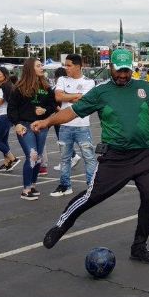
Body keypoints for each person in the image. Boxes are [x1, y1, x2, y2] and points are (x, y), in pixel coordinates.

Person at [33, 48, 149, 264]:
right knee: (92, 196)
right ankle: (62, 224)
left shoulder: (144, 87)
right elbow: (72, 111)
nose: (122, 75)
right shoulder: (101, 92)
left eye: (126, 71)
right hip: (115, 158)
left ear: (132, 69)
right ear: (111, 68)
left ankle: (139, 246)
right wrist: (47, 122)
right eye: (118, 71)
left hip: (145, 156)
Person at [8, 57, 57, 200]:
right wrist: (16, 123)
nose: (42, 67)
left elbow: (53, 105)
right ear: (30, 68)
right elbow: (11, 109)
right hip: (24, 125)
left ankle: (33, 185)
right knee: (32, 155)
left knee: (39, 158)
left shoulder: (47, 87)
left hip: (42, 126)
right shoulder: (19, 88)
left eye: (42, 65)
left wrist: (45, 111)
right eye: (38, 65)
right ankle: (26, 189)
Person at [50, 53, 97, 197]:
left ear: (78, 66)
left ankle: (92, 186)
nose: (66, 68)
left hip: (82, 125)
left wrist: (68, 95)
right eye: (65, 65)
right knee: (65, 158)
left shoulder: (89, 82)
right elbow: (58, 96)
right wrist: (76, 96)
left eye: (69, 65)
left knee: (89, 157)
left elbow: (84, 101)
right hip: (65, 125)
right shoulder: (62, 79)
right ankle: (65, 185)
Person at [0, 66, 21, 172]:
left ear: (5, 76)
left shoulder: (4, 86)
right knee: (3, 141)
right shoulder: (6, 86)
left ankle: (13, 158)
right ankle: (7, 163)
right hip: (4, 116)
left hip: (4, 117)